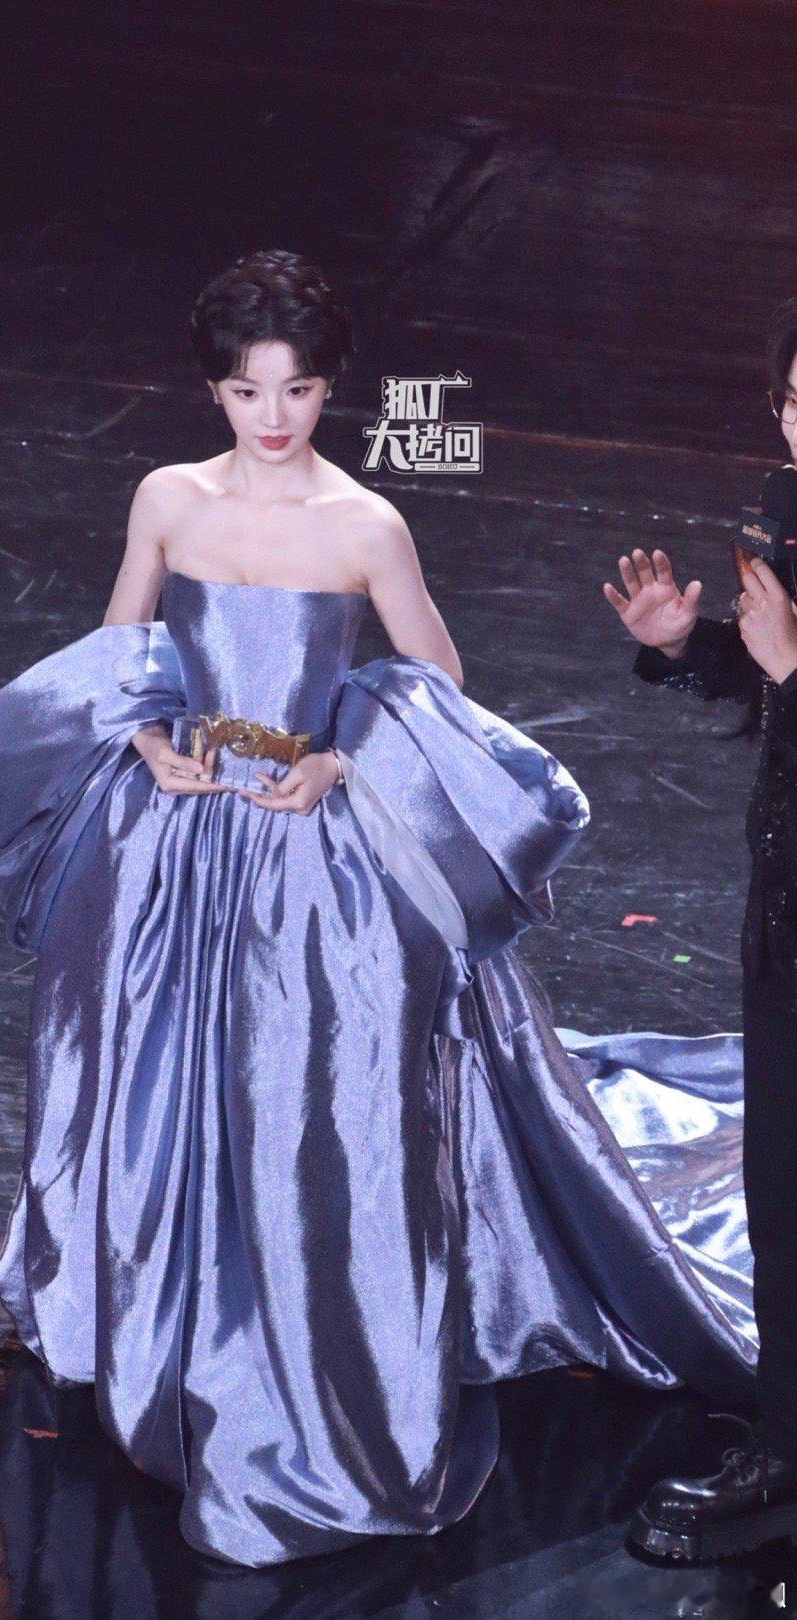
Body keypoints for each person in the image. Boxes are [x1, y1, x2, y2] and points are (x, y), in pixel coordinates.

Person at [0, 249, 757, 1568]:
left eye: (299, 389)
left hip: (310, 852)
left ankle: (293, 1332)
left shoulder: (364, 522)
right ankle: (151, 1303)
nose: (274, 416)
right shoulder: (169, 498)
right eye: (249, 390)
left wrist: (336, 761)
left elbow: (436, 676)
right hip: (179, 837)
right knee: (152, 1064)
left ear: (328, 388)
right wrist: (146, 739)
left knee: (308, 1091)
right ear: (216, 388)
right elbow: (120, 646)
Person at [604, 302, 797, 1561]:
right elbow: (770, 684)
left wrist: (793, 669)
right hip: (785, 907)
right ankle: (785, 1442)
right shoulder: (789, 508)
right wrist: (691, 650)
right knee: (781, 1185)